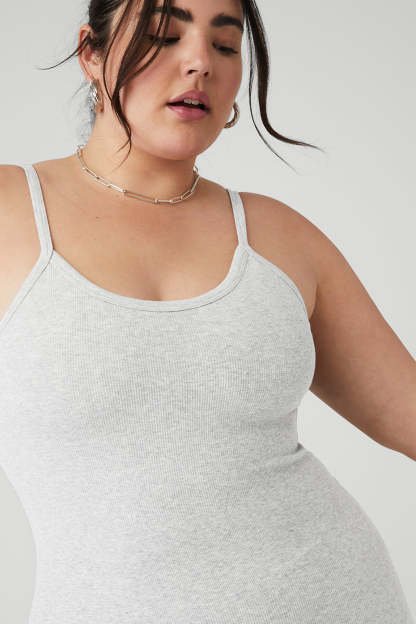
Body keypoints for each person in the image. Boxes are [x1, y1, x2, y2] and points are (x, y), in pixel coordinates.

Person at [0, 1, 414, 622]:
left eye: (224, 46)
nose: (200, 64)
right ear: (91, 53)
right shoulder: (9, 210)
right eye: (164, 36)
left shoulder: (279, 237)